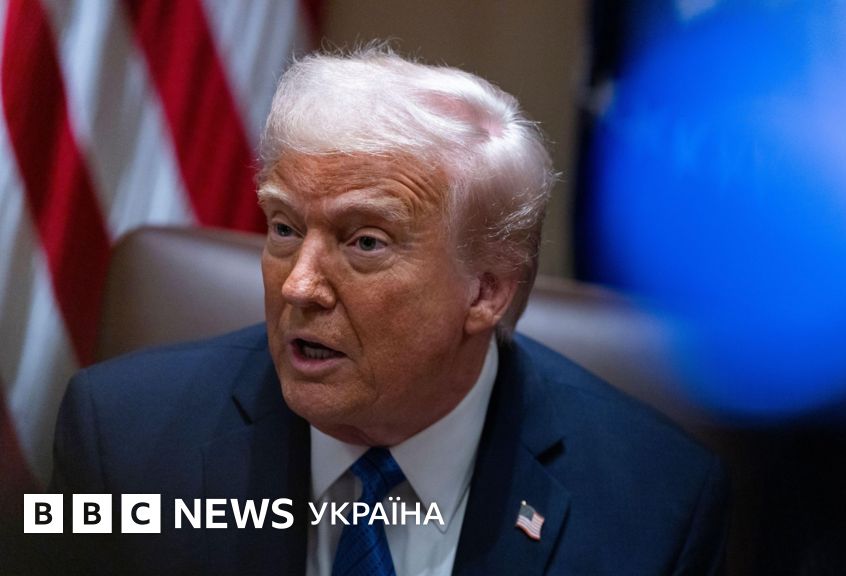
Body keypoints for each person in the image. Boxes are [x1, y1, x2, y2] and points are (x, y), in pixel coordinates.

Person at [50, 47, 728, 575]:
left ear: (486, 291)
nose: (299, 286)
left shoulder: (654, 504)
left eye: (365, 242)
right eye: (284, 228)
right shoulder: (121, 439)